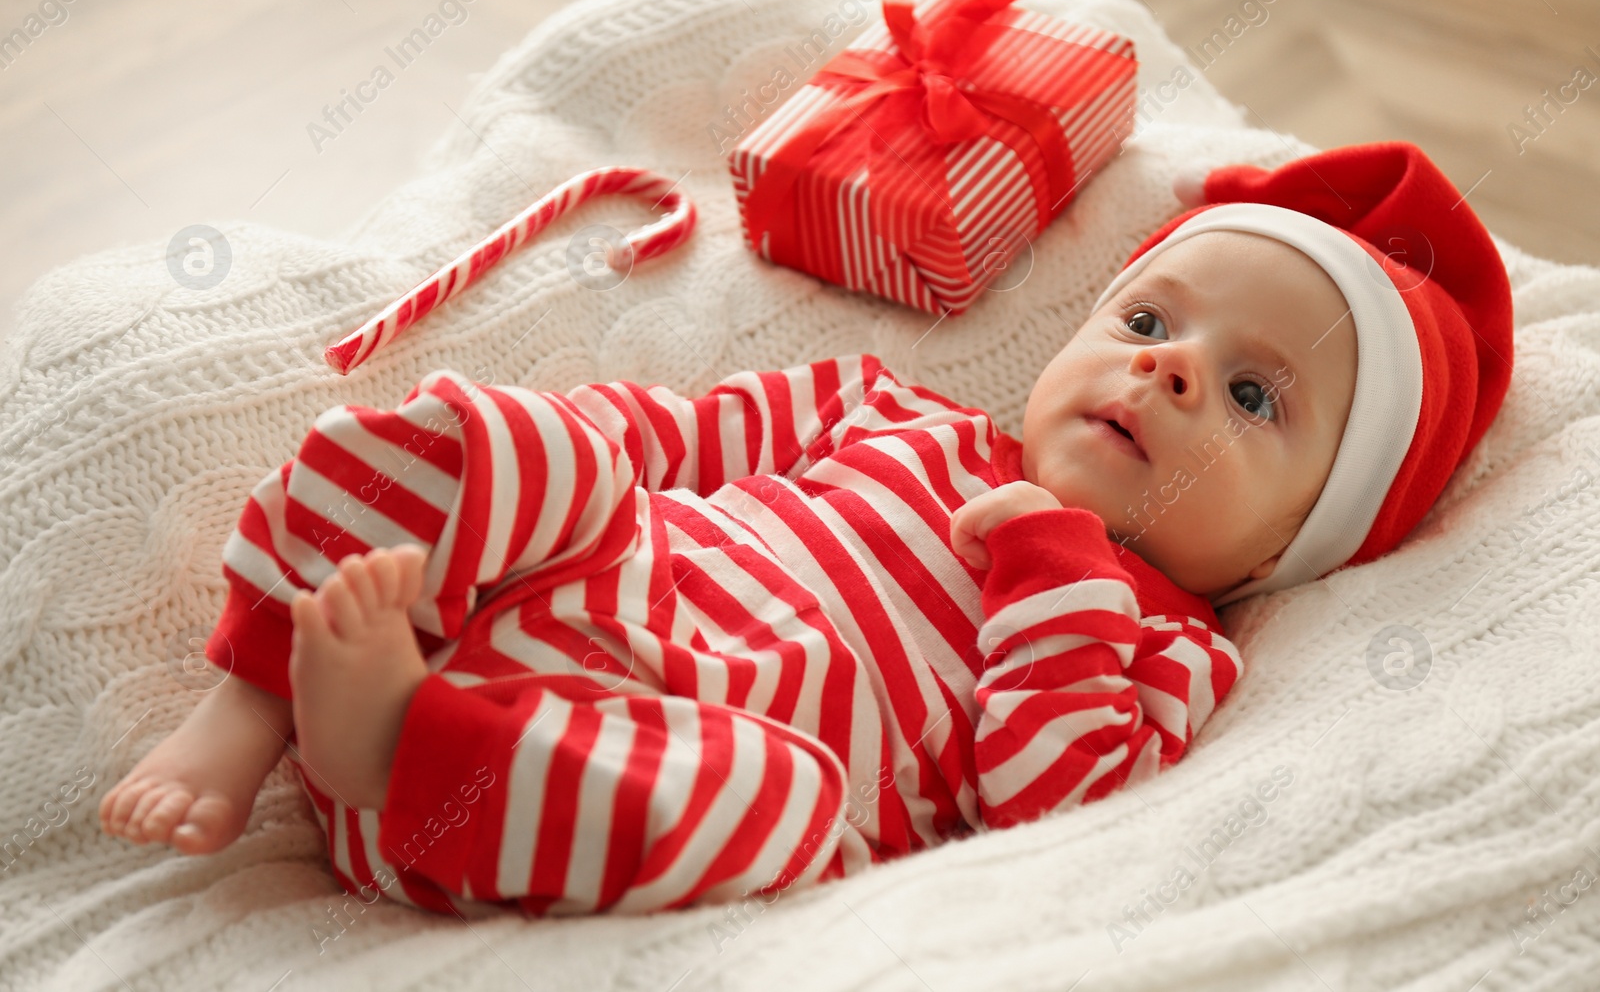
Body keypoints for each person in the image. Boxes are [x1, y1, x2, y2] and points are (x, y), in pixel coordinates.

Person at [98, 140, 1512, 918]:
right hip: (563, 574)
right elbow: (661, 438)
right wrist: (556, 482)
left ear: (1288, 548)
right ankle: (254, 690)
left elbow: (1047, 803)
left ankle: (398, 750)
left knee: (783, 813)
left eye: (1254, 394)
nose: (1170, 367)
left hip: (592, 763)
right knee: (508, 432)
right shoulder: (886, 410)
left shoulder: (1162, 646)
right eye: (1145, 320)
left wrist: (1050, 567)